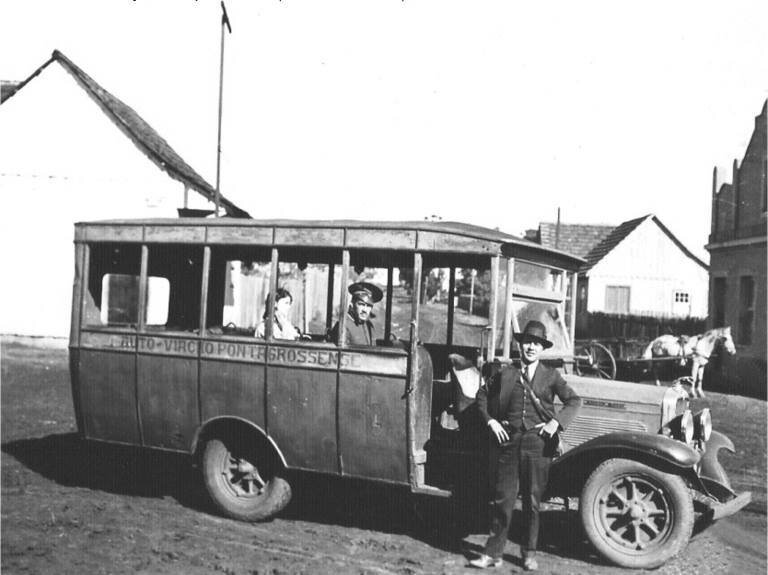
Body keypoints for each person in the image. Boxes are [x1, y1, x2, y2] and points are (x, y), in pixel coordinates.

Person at [469, 320, 582, 572]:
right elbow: (482, 396)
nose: (531, 347)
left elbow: (574, 401)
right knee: (503, 500)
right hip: (508, 443)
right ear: (520, 344)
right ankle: (492, 553)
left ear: (542, 349)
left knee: (532, 501)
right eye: (528, 342)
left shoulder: (551, 376)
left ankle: (529, 554)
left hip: (537, 445)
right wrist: (491, 422)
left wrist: (556, 423)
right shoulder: (506, 373)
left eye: (537, 343)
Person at [328, 281, 383, 346]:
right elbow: (342, 354)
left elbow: (373, 351)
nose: (365, 310)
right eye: (361, 304)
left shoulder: (369, 325)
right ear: (352, 305)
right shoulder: (343, 326)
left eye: (369, 306)